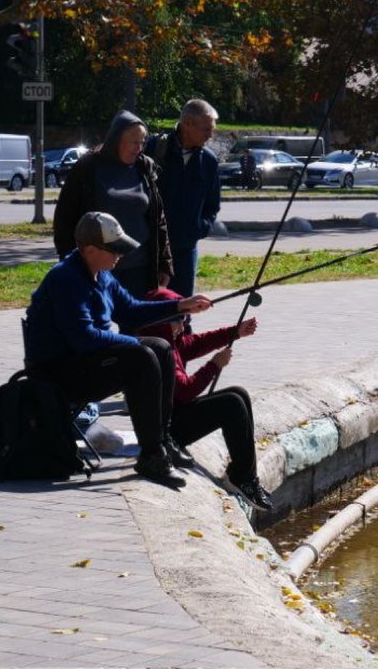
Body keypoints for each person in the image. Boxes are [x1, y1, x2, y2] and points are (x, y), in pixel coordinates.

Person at [26, 212, 211, 488]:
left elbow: (132, 311)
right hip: (59, 374)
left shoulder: (102, 275)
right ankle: (151, 456)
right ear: (89, 250)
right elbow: (83, 338)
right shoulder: (65, 279)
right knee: (142, 356)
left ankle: (162, 440)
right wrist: (133, 343)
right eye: (114, 250)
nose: (120, 256)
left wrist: (181, 305)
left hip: (86, 361)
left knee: (160, 348)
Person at [136, 287, 274, 510]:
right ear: (163, 321)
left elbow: (195, 343)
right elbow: (186, 390)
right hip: (168, 431)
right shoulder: (159, 350)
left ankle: (246, 476)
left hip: (175, 415)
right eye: (179, 319)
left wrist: (235, 332)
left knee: (239, 393)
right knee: (232, 405)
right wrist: (214, 365)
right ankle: (243, 479)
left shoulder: (168, 340)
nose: (183, 325)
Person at [54, 111, 173, 299]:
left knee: (138, 326)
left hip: (139, 268)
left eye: (142, 142)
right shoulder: (88, 168)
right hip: (98, 269)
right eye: (134, 142)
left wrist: (165, 263)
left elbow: (158, 220)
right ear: (116, 140)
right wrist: (70, 262)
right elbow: (65, 219)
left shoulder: (144, 168)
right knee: (98, 324)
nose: (139, 148)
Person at [151, 99, 222, 297]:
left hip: (185, 250)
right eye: (206, 129)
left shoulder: (208, 161)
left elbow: (212, 205)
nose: (210, 136)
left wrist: (199, 228)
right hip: (151, 250)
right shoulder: (155, 149)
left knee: (183, 313)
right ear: (187, 124)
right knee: (148, 313)